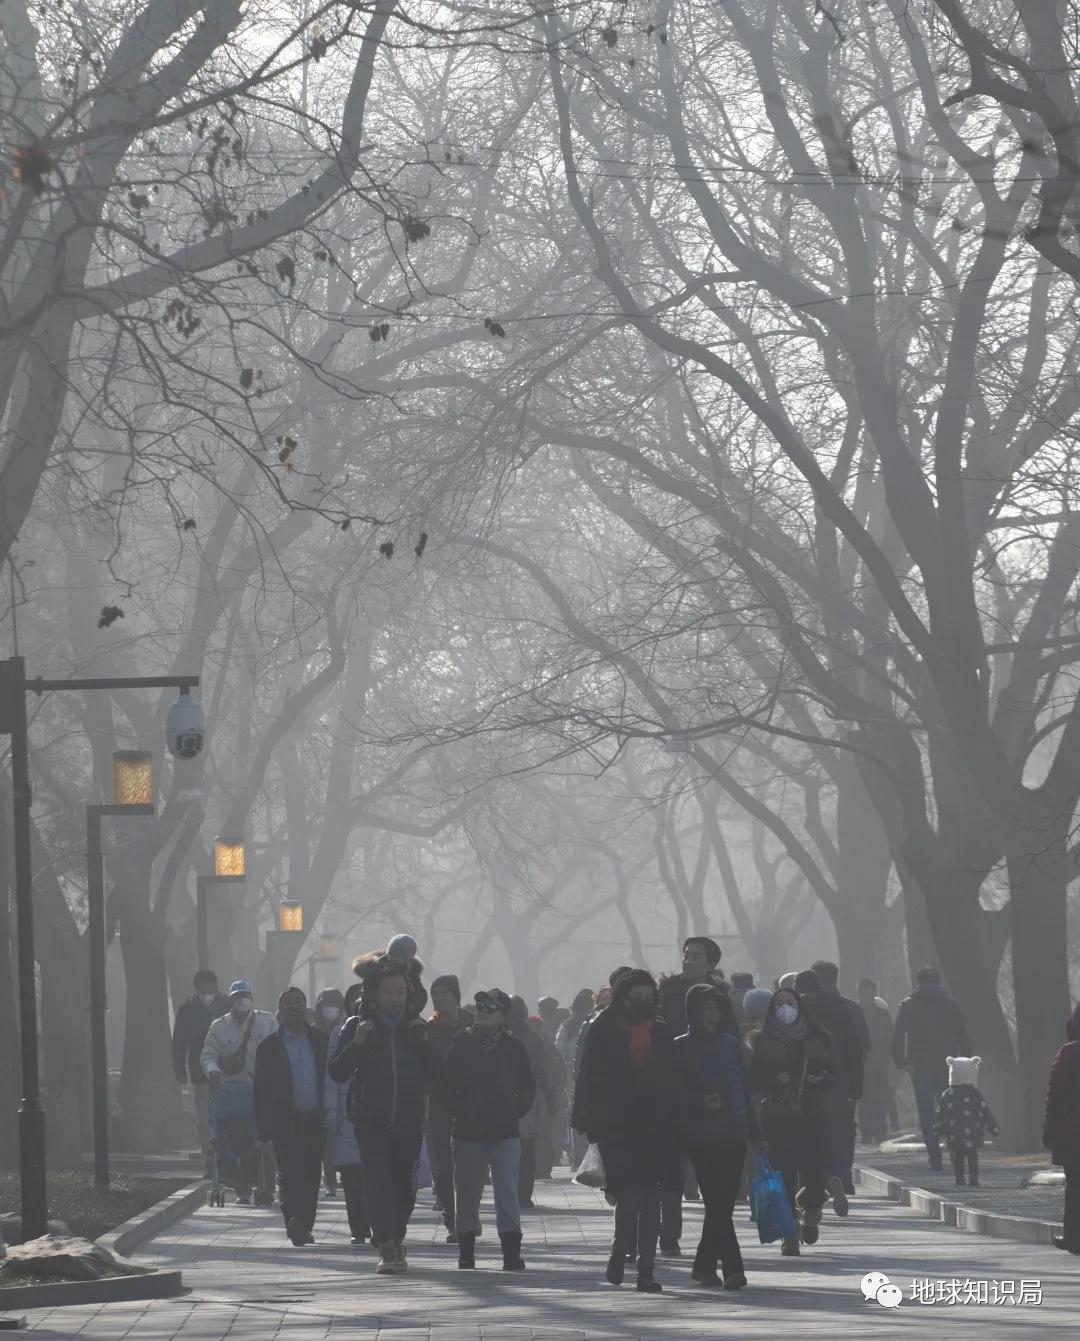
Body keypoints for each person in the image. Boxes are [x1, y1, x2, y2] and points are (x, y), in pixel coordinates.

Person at [329, 956, 441, 1274]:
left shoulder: (416, 1027)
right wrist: (359, 1044)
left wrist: (424, 1044)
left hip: (408, 1120)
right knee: (378, 1184)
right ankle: (387, 1244)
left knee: (404, 1188)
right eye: (388, 992)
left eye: (400, 992)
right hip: (371, 1121)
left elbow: (437, 1072)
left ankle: (395, 1236)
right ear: (374, 993)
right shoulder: (356, 1027)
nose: (394, 999)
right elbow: (337, 1070)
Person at [572, 968, 680, 1294]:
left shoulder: (661, 1032)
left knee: (651, 1199)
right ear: (622, 997)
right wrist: (588, 1121)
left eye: (649, 997)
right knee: (631, 1196)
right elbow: (588, 1076)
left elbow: (674, 1078)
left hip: (655, 1126)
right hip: (616, 1125)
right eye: (636, 997)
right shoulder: (603, 1028)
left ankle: (646, 1270)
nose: (643, 1003)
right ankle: (621, 1250)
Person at [674, 984, 762, 1288]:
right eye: (706, 1009)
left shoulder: (732, 1045)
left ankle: (703, 1266)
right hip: (701, 1135)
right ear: (693, 1013)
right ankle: (734, 1269)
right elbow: (673, 1093)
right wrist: (700, 1101)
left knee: (722, 1203)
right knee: (717, 1200)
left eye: (716, 1009)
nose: (712, 1015)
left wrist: (755, 1132)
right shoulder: (680, 1047)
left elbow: (744, 1092)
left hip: (734, 1133)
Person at [443, 989, 536, 1270]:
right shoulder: (461, 1043)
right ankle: (466, 1252)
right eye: (480, 1007)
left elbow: (527, 1086)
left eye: (491, 1008)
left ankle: (510, 1253)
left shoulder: (514, 1046)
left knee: (507, 1192)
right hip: (468, 1132)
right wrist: (460, 1110)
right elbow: (445, 1085)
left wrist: (514, 1110)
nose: (483, 1012)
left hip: (505, 1131)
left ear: (503, 1014)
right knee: (467, 1193)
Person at [749, 986, 832, 1256]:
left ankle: (811, 1211)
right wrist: (774, 1081)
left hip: (810, 1114)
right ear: (772, 1010)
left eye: (791, 1002)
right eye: (780, 1003)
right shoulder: (761, 1041)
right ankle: (789, 1232)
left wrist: (820, 1079)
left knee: (815, 1172)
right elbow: (754, 1079)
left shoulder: (817, 1038)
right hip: (779, 1116)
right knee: (782, 1175)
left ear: (799, 1006)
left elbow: (834, 1072)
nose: (786, 1008)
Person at [253, 987, 328, 1246]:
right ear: (280, 1010)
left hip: (315, 1118)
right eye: (288, 1003)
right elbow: (260, 1091)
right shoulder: (269, 1048)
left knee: (311, 1173)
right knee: (288, 1172)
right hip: (285, 1120)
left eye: (299, 1002)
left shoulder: (321, 1041)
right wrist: (263, 1130)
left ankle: (305, 1223)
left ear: (305, 1007)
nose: (294, 1007)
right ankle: (293, 1220)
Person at [795, 966, 866, 1213]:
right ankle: (842, 1177)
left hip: (805, 1084)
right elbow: (858, 1047)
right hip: (839, 1081)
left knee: (808, 1135)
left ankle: (812, 1184)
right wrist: (856, 1085)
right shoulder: (842, 1007)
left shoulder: (797, 1009)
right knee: (842, 1132)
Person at [891, 966, 971, 1171]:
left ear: (918, 982)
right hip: (949, 1066)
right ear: (939, 982)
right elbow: (963, 1036)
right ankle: (956, 1154)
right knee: (952, 1111)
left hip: (921, 1067)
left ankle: (935, 1158)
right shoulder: (951, 1005)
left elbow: (898, 1036)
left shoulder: (909, 1005)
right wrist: (966, 1062)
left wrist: (901, 1062)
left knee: (927, 1114)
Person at [427, 974, 472, 1242]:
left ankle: (469, 1215)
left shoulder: (471, 1027)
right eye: (435, 994)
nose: (438, 998)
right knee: (444, 1164)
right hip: (439, 1105)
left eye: (443, 993)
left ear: (455, 995)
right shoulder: (428, 1030)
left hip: (469, 1105)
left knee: (469, 1163)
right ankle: (451, 1219)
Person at [324, 983, 369, 1245]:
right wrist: (330, 1111)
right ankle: (359, 1228)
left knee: (374, 1174)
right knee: (351, 1176)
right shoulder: (340, 1033)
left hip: (376, 1112)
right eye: (356, 1000)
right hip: (345, 1114)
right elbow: (331, 1075)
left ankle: (378, 1223)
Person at [508, 996, 558, 1209]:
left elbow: (545, 1070)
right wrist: (550, 1096)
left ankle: (516, 1192)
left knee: (514, 1147)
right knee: (525, 1147)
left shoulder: (506, 1037)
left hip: (518, 1098)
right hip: (527, 1099)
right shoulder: (533, 1038)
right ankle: (522, 1194)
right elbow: (545, 1072)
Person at [172, 969, 229, 1153]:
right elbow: (179, 1042)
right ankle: (209, 1157)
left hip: (227, 1070)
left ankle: (226, 1153)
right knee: (204, 1119)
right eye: (202, 992)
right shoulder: (187, 1010)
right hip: (199, 1073)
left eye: (209, 991)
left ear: (217, 987)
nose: (206, 996)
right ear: (195, 990)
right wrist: (180, 1070)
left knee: (225, 1114)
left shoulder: (228, 1006)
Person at [1043, 1002, 1080, 1254]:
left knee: (1075, 1186)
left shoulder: (1068, 1053)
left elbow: (1054, 1095)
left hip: (1073, 1132)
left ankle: (1074, 1238)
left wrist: (1050, 1128)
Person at [935, 1055, 998, 1187]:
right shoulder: (974, 1093)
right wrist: (992, 1126)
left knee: (958, 1156)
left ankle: (959, 1178)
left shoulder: (947, 1094)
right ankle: (973, 1177)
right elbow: (984, 1110)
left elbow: (941, 1112)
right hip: (973, 1132)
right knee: (972, 1155)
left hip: (954, 1133)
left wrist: (938, 1127)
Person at [557, 988, 597, 1164]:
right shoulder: (597, 1022)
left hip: (573, 1078)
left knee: (575, 1116)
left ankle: (578, 1157)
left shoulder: (567, 1025)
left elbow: (559, 1052)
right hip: (589, 1077)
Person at [312, 988, 345, 1197]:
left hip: (341, 1091)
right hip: (317, 1092)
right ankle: (330, 1179)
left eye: (334, 1005)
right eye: (326, 1005)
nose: (330, 1009)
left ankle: (344, 1174)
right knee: (324, 1140)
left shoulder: (346, 1030)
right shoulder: (313, 1032)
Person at [351, 933, 428, 1017]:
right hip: (376, 1015)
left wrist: (410, 1008)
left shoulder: (411, 973)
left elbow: (420, 996)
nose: (395, 961)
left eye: (400, 958)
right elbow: (366, 995)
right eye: (393, 956)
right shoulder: (376, 970)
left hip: (403, 1016)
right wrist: (372, 1010)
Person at [856, 979, 894, 1147]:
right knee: (863, 1098)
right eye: (864, 993)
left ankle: (880, 1130)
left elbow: (890, 1037)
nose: (867, 996)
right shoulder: (853, 1012)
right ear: (859, 993)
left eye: (870, 993)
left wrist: (891, 1060)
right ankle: (866, 1131)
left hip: (879, 1061)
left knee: (880, 1097)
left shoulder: (882, 1014)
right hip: (861, 1062)